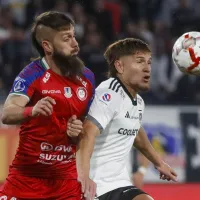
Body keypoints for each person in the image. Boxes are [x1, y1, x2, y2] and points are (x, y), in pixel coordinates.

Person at [0, 11, 95, 200]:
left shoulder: (87, 78)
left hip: (66, 181)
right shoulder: (32, 74)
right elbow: (7, 113)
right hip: (26, 179)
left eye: (74, 36)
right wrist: (31, 110)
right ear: (47, 46)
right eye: (66, 39)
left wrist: (78, 131)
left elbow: (88, 128)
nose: (75, 44)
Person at [77, 38, 177, 200]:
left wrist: (159, 163)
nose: (147, 68)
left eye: (149, 62)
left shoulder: (138, 102)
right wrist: (83, 177)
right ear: (119, 66)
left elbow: (136, 132)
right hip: (95, 186)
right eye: (139, 61)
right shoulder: (110, 92)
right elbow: (88, 132)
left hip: (119, 184)